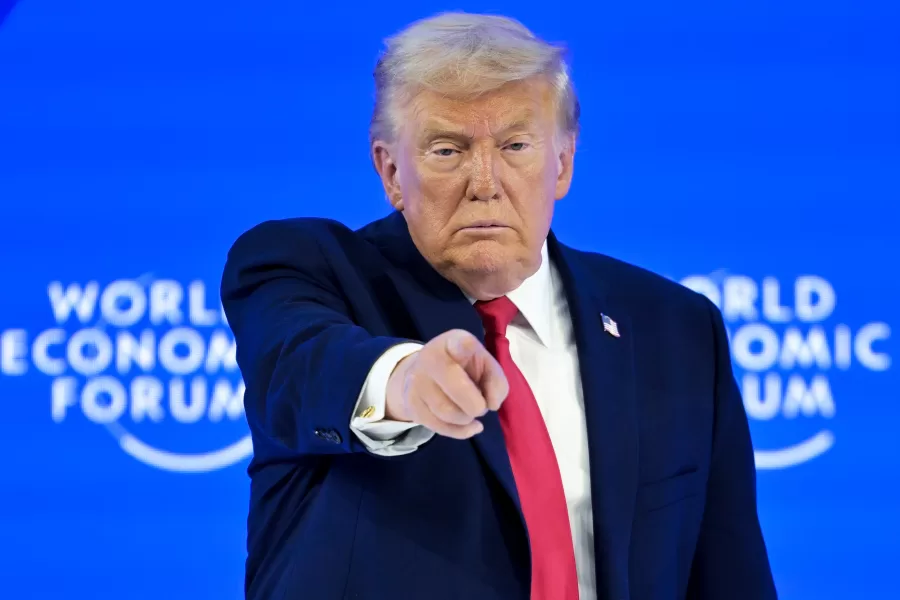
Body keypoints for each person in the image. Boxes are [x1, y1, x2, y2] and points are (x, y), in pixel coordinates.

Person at [220, 11, 777, 600]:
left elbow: (729, 573)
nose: (484, 181)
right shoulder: (306, 269)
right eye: (446, 150)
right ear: (390, 170)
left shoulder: (677, 329)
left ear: (562, 162)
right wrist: (406, 381)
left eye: (515, 145)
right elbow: (303, 361)